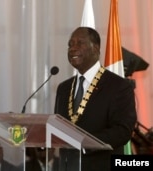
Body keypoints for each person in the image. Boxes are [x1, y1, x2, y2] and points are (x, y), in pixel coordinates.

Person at [54, 27, 137, 171]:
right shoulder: (63, 88)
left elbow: (123, 130)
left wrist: (85, 142)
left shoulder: (118, 85)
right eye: (70, 44)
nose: (73, 48)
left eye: (80, 43)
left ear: (96, 48)